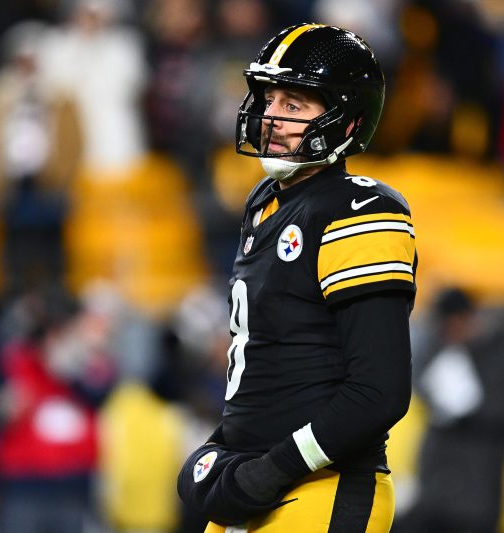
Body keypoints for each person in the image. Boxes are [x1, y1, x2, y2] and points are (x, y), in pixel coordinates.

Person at [177, 24, 418, 532]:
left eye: (293, 104)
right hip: (258, 478)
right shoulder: (265, 202)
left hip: (320, 486)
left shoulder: (358, 208)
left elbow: (379, 391)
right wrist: (223, 448)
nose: (271, 117)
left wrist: (275, 467)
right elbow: (270, 362)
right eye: (269, 100)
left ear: (346, 120)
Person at [394, 287, 504, 533]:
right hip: (436, 482)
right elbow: (420, 385)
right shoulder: (438, 346)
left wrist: (474, 408)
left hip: (481, 480)